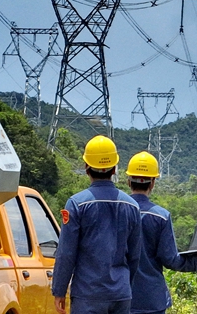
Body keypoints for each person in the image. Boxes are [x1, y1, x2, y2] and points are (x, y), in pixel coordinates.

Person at [51, 135, 142, 314]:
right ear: (114, 169)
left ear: (86, 167)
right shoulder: (132, 206)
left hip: (88, 295)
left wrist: (59, 290)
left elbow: (67, 253)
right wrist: (124, 285)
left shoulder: (76, 204)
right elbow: (135, 255)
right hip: (121, 294)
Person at [126, 151, 197, 314]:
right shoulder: (161, 216)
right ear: (152, 183)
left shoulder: (117, 212)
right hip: (152, 299)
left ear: (129, 181)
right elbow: (170, 259)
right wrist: (195, 258)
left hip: (120, 296)